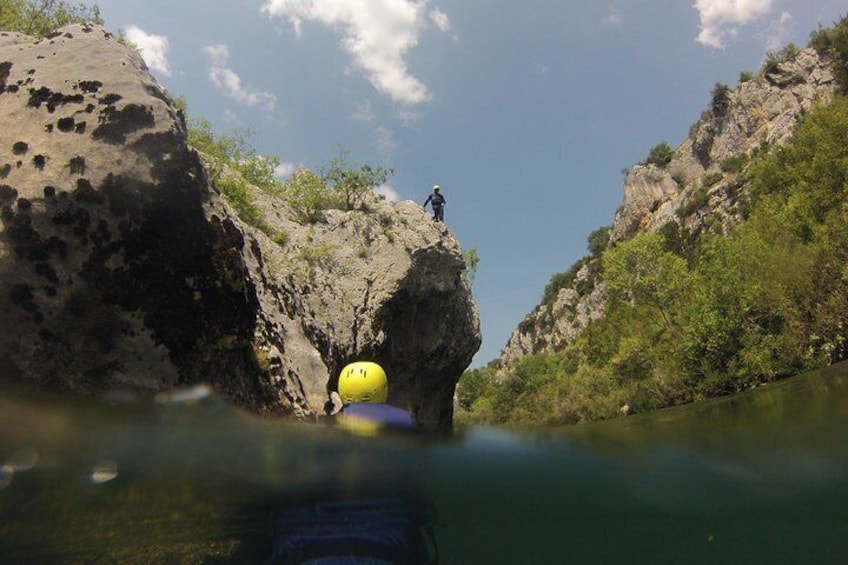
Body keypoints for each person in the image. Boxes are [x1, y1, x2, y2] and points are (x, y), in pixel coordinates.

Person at [270, 362, 437, 564]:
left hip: (310, 552)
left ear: (342, 390)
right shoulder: (409, 429)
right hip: (385, 552)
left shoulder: (318, 433)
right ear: (383, 389)